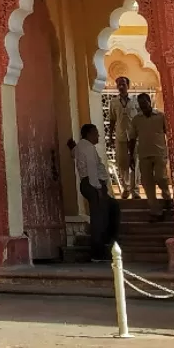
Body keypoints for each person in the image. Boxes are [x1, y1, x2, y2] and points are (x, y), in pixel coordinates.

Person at [69, 122, 119, 262]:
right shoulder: (89, 148)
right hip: (93, 184)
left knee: (113, 207)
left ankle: (108, 241)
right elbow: (91, 168)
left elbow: (74, 154)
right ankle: (97, 253)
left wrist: (72, 147)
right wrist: (98, 188)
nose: (98, 135)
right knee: (98, 220)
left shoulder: (81, 146)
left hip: (88, 184)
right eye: (96, 132)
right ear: (89, 134)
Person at [133, 92, 172, 221]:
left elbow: (169, 133)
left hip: (159, 152)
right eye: (140, 104)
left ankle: (166, 196)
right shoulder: (137, 119)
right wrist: (130, 155)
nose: (143, 106)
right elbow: (132, 138)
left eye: (144, 103)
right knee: (147, 183)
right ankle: (155, 210)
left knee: (160, 177)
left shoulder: (160, 116)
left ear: (149, 102)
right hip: (144, 154)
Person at [112, 76, 137, 199]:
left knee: (135, 163)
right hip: (120, 136)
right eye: (119, 84)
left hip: (134, 137)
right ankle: (126, 188)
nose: (121, 87)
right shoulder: (114, 102)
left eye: (123, 84)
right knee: (122, 163)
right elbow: (112, 120)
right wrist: (111, 137)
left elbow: (139, 118)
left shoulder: (135, 101)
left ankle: (135, 190)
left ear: (128, 85)